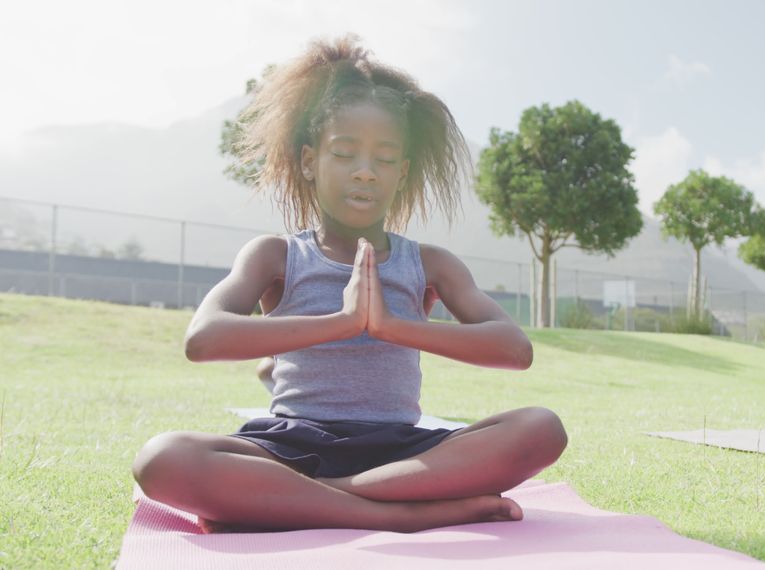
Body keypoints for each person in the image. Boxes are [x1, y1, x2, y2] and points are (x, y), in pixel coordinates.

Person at [132, 36, 567, 533]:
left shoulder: (430, 264)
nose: (365, 172)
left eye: (384, 159)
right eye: (345, 153)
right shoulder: (275, 255)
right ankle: (400, 514)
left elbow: (514, 350)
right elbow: (203, 340)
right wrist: (339, 322)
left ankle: (308, 502)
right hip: (292, 448)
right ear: (308, 162)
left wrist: (391, 327)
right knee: (163, 458)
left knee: (540, 428)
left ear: (401, 173)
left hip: (400, 452)